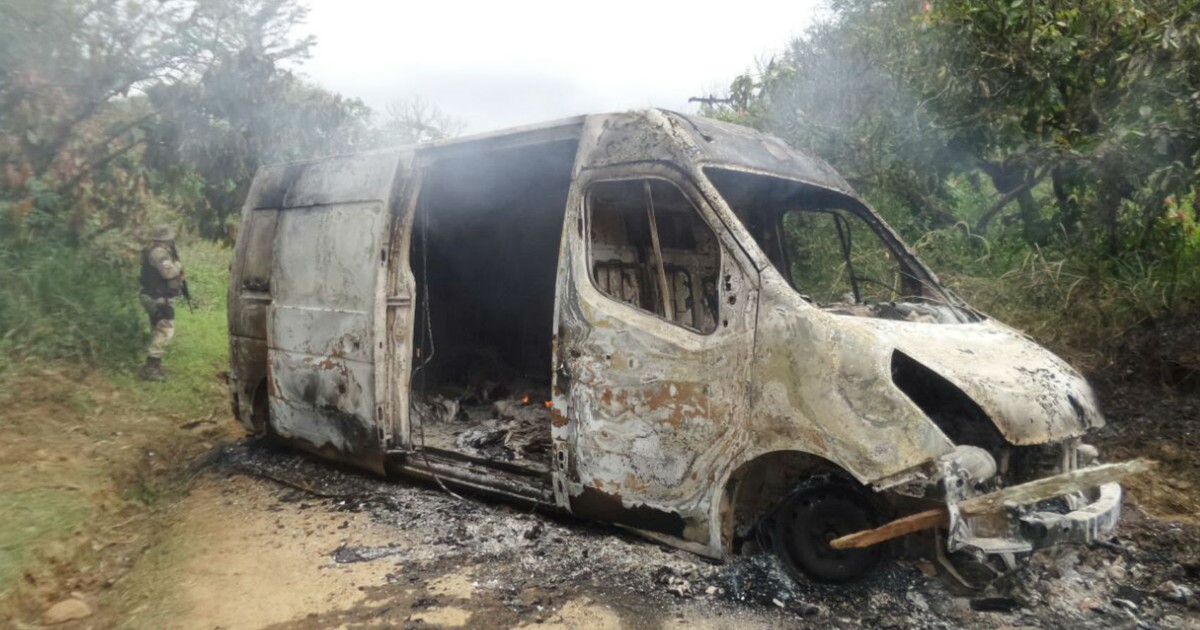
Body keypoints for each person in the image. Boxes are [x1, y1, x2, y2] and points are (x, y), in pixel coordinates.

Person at [138, 225, 184, 381]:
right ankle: (151, 368)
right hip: (157, 298)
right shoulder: (158, 252)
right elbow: (168, 272)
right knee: (165, 330)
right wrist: (178, 265)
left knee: (158, 329)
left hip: (154, 296)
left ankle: (153, 365)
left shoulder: (154, 250)